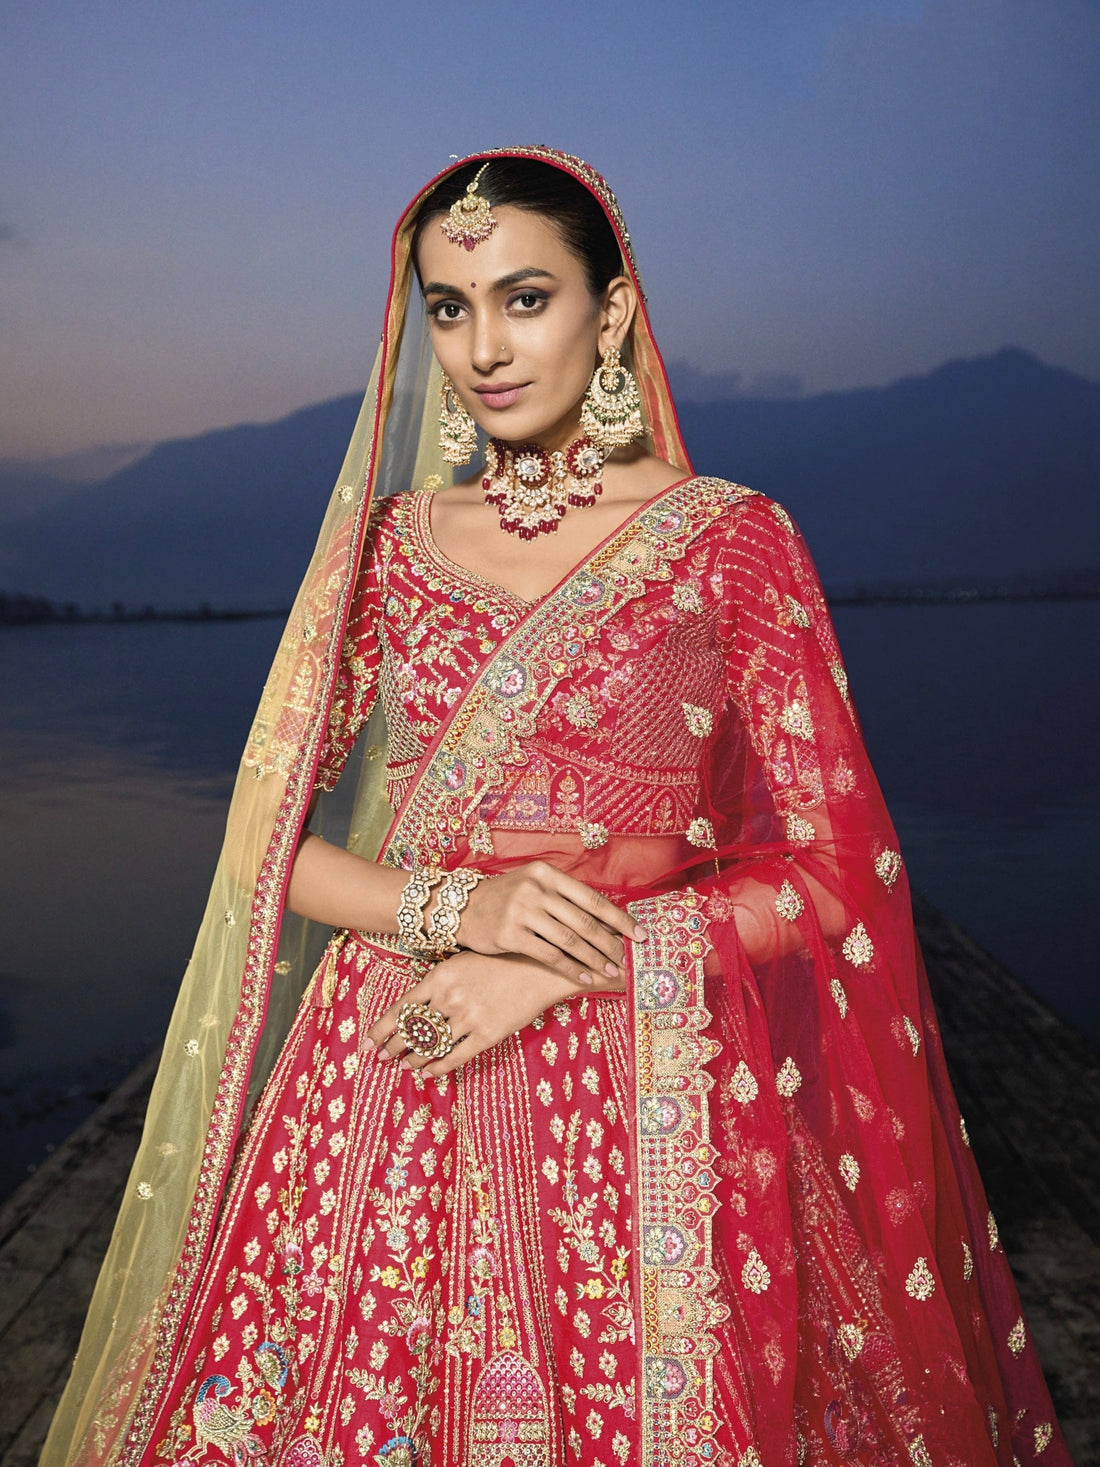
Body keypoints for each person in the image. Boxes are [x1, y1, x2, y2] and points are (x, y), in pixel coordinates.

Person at [43, 148, 1069, 1467]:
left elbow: (833, 874)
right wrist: (456, 905)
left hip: (642, 1078)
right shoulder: (390, 545)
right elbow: (266, 844)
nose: (484, 346)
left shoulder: (731, 538)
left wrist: (551, 968)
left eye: (526, 298)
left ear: (615, 312)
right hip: (390, 1065)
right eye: (451, 308)